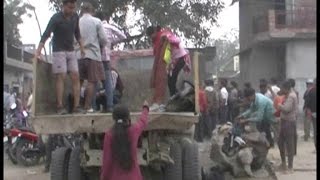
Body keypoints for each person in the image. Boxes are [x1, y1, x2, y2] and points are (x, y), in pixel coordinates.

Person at [35, 0, 85, 115]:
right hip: (59, 51)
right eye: (69, 8)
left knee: (76, 76)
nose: (72, 10)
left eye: (73, 8)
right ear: (63, 6)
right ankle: (59, 106)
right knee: (61, 76)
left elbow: (77, 33)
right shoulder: (56, 18)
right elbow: (46, 34)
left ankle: (76, 107)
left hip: (71, 51)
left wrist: (82, 47)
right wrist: (38, 51)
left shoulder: (75, 17)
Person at [146, 26, 191, 111]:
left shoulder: (164, 35)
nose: (151, 37)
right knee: (170, 81)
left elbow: (176, 40)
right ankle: (175, 100)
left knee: (171, 81)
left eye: (151, 35)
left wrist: (167, 38)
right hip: (175, 60)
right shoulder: (158, 40)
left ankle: (176, 101)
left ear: (155, 32)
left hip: (180, 58)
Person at [100, 102, 149, 180]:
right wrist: (145, 108)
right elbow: (143, 121)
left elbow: (107, 161)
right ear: (128, 117)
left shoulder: (109, 135)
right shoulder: (134, 130)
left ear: (113, 118)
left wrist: (104, 177)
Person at [77, 2, 108, 113]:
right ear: (92, 11)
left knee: (79, 81)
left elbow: (73, 40)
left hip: (79, 55)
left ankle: (76, 106)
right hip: (93, 55)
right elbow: (104, 39)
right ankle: (87, 106)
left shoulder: (77, 22)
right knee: (92, 81)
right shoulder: (96, 21)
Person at [96, 12, 127, 112]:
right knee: (108, 82)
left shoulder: (95, 26)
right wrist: (111, 41)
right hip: (106, 57)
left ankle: (94, 107)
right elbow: (123, 36)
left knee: (94, 81)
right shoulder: (110, 27)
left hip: (96, 57)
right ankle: (110, 106)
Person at [277, 80, 299, 173]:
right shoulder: (287, 95)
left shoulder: (291, 96)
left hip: (289, 122)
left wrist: (279, 106)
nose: (281, 90)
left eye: (282, 88)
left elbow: (286, 109)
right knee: (280, 142)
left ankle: (290, 167)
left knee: (289, 145)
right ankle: (283, 164)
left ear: (286, 88)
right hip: (285, 121)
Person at [304, 78, 316, 150]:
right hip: (313, 113)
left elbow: (307, 102)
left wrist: (307, 109)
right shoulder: (310, 91)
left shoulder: (311, 91)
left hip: (313, 113)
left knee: (315, 129)